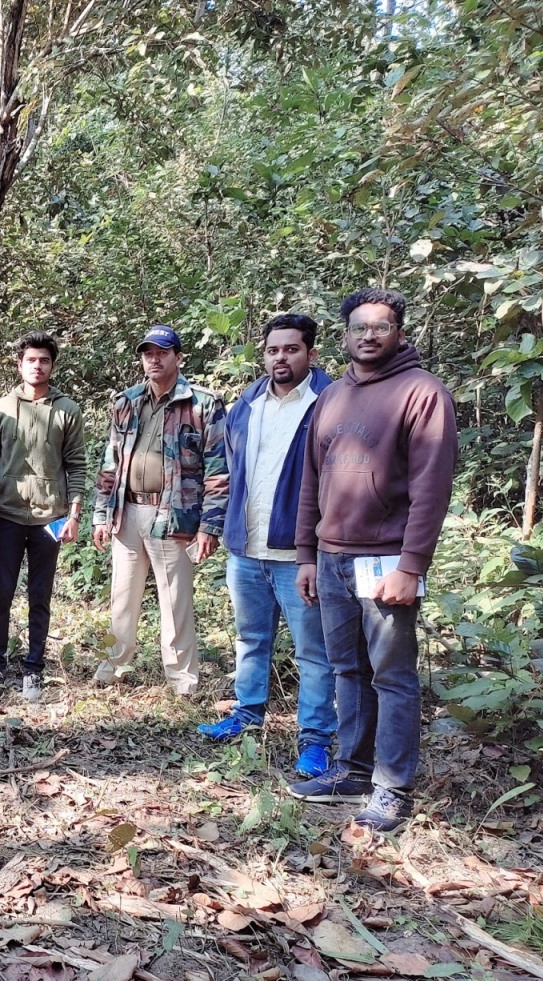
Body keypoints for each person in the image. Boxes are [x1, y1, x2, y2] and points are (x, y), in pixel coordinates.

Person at [289, 288, 456, 834]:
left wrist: (412, 565)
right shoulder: (331, 397)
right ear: (345, 334)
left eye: (380, 326)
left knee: (391, 675)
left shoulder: (422, 393)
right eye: (359, 326)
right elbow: (312, 482)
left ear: (399, 333)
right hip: (332, 558)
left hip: (386, 559)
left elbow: (432, 488)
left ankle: (391, 787)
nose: (369, 335)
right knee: (347, 669)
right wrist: (307, 555)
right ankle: (353, 769)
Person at [197, 315, 336, 779]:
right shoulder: (249, 401)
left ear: (310, 354)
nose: (281, 358)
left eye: (291, 350)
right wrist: (220, 526)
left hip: (297, 556)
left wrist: (313, 552)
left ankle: (316, 740)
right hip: (247, 548)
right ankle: (246, 714)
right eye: (274, 350)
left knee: (312, 652)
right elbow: (228, 468)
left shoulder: (327, 402)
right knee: (250, 639)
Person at [91, 326, 228, 696]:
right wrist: (101, 515)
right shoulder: (127, 402)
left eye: (162, 352)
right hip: (128, 511)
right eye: (148, 352)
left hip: (174, 517)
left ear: (178, 357)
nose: (154, 358)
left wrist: (209, 527)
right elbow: (110, 463)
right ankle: (113, 663)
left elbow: (218, 471)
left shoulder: (202, 404)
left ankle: (182, 678)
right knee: (121, 597)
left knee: (175, 601)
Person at [0, 331, 87, 704]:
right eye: (30, 360)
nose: (37, 366)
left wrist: (73, 513)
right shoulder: (0, 409)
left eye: (43, 360)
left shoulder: (67, 410)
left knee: (40, 595)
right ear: (19, 364)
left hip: (50, 518)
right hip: (7, 513)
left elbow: (76, 465)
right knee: (1, 594)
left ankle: (33, 669)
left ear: (51, 365)